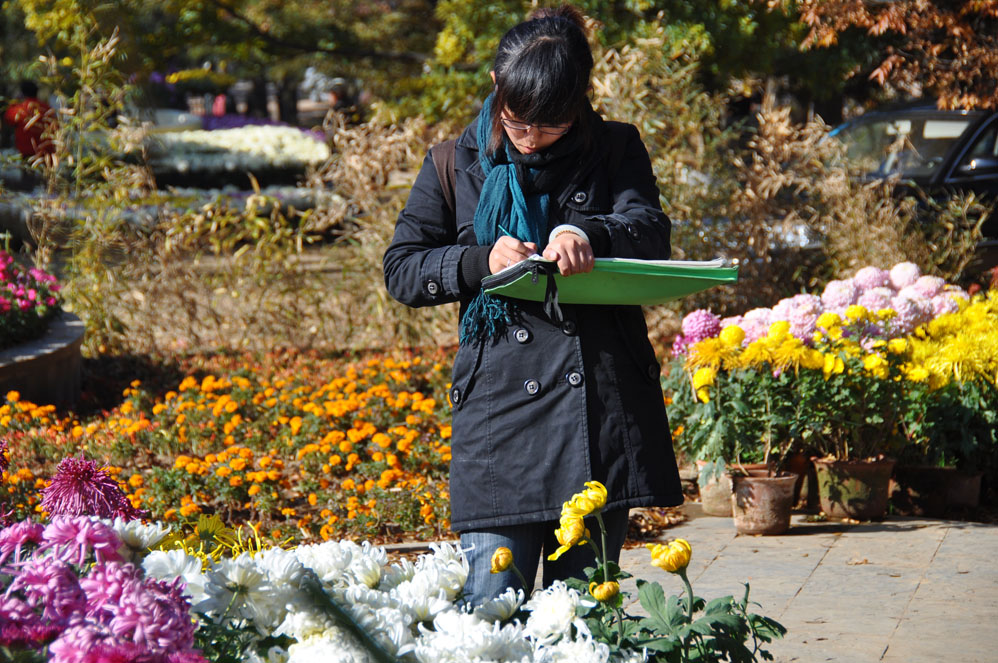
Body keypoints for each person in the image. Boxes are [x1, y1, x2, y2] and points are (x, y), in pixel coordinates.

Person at [383, 4, 683, 607]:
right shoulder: (454, 161)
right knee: (491, 609)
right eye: (518, 123)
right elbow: (402, 268)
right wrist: (477, 261)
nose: (529, 138)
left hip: (596, 409)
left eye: (551, 126)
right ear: (497, 87)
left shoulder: (615, 146)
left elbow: (649, 228)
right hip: (499, 418)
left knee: (584, 618)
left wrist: (590, 235)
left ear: (579, 103)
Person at [3, 81, 55, 160]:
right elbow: (55, 127)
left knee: (28, 171)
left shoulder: (19, 109)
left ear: (22, 93)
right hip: (46, 151)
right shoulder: (47, 108)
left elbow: (8, 118)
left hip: (27, 152)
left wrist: (14, 102)